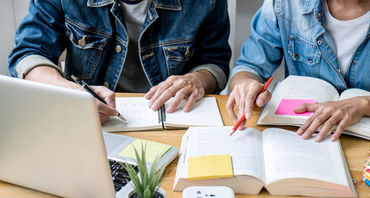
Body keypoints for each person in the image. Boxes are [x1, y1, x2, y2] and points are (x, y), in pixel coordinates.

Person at [9, 0, 231, 123]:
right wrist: (70, 91)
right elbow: (28, 54)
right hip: (87, 121)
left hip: (176, 120)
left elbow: (216, 61)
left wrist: (197, 79)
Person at [227, 0, 370, 142]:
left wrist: (363, 104)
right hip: (305, 137)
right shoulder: (285, 4)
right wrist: (245, 84)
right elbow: (248, 67)